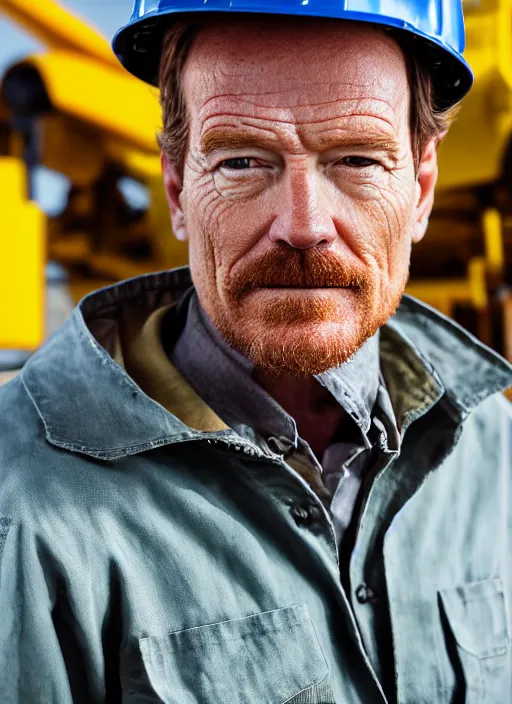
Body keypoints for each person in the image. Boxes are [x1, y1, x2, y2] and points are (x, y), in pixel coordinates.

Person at [0, 1, 511, 701]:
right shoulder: (19, 511)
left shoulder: (495, 457)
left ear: (419, 190)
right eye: (241, 160)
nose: (304, 226)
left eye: (357, 158)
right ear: (178, 187)